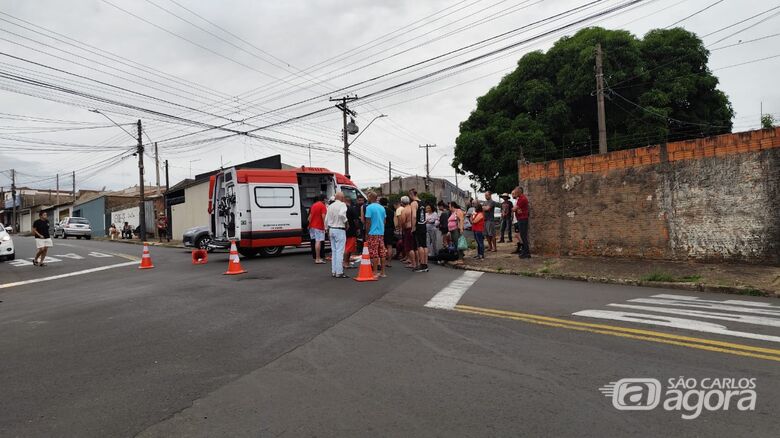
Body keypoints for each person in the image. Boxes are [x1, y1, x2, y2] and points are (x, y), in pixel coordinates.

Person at [326, 192, 349, 278]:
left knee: (334, 251)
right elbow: (342, 214)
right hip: (339, 229)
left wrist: (327, 229)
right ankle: (339, 272)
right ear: (342, 198)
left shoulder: (330, 206)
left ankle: (334, 271)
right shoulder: (342, 204)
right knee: (340, 251)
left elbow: (326, 219)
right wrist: (346, 222)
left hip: (331, 229)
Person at [364, 192, 387, 278]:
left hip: (372, 233)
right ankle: (383, 272)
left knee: (374, 252)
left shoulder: (369, 208)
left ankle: (375, 272)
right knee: (382, 252)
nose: (367, 198)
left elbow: (368, 222)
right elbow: (384, 221)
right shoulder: (382, 208)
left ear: (371, 197)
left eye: (368, 197)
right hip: (381, 232)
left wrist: (367, 233)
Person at [409, 189, 429, 273]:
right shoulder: (423, 203)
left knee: (419, 245)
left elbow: (413, 216)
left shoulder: (414, 203)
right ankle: (425, 264)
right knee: (424, 245)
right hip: (423, 225)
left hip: (418, 226)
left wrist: (413, 227)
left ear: (411, 194)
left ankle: (422, 265)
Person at [308, 194, 328, 264]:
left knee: (314, 241)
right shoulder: (323, 206)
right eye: (326, 199)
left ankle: (316, 257)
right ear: (324, 199)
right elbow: (323, 217)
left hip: (312, 226)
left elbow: (309, 217)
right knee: (318, 241)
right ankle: (318, 258)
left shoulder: (314, 205)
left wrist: (309, 225)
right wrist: (326, 227)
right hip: (319, 226)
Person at [513, 186, 531, 258]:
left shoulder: (522, 199)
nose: (515, 193)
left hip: (523, 219)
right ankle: (525, 251)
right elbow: (517, 209)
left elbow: (515, 209)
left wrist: (515, 209)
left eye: (516, 192)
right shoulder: (520, 198)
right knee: (523, 236)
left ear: (519, 192)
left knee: (523, 236)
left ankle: (526, 253)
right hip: (521, 219)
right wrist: (516, 209)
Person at [399, 196, 416, 268]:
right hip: (414, 228)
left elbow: (403, 221)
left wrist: (402, 229)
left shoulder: (404, 210)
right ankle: (416, 262)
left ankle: (413, 263)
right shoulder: (413, 208)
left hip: (408, 229)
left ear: (402, 202)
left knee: (409, 247)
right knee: (415, 246)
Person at [380, 197, 396, 267]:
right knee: (389, 246)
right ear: (387, 203)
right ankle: (388, 262)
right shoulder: (392, 211)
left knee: (382, 246)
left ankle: (381, 262)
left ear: (380, 203)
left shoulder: (380, 210)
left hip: (382, 229)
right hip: (390, 229)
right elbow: (395, 221)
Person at [344, 197, 358, 270]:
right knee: (349, 247)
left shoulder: (342, 209)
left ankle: (346, 262)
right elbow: (356, 220)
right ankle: (346, 263)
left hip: (343, 230)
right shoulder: (351, 209)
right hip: (351, 230)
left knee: (346, 247)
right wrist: (357, 227)